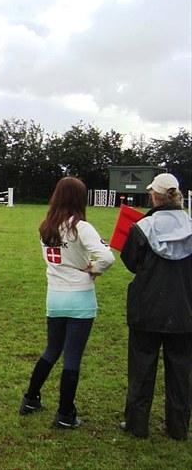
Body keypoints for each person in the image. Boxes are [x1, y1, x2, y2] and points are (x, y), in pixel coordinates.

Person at [19, 176, 114, 429]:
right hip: (80, 298)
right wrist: (95, 268)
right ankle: (65, 414)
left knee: (52, 350)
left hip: (55, 297)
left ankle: (30, 398)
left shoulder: (45, 227)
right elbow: (107, 256)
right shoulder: (81, 227)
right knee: (72, 357)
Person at [119, 173, 191, 441]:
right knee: (181, 372)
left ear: (156, 196)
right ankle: (179, 427)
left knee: (141, 369)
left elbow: (130, 261)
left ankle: (137, 424)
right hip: (184, 309)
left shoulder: (143, 226)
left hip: (146, 308)